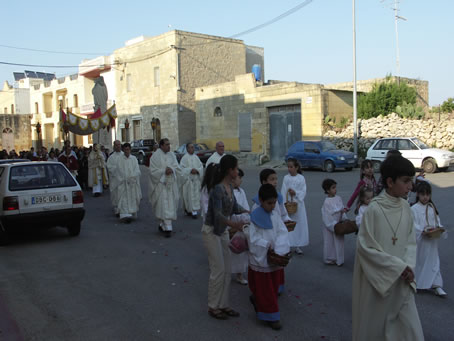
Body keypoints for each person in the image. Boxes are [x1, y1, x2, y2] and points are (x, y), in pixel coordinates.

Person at [352, 155, 424, 341]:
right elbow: (366, 248)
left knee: (411, 331)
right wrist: (396, 268)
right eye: (406, 181)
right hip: (380, 283)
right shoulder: (374, 210)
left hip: (402, 282)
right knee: (378, 331)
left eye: (412, 181)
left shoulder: (406, 207)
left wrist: (408, 266)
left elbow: (410, 242)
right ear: (390, 182)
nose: (411, 186)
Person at [202, 155, 247, 320]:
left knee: (228, 269)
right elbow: (218, 215)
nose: (237, 171)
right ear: (230, 170)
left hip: (222, 232)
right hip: (211, 231)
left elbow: (234, 207)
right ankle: (213, 306)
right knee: (218, 269)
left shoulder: (229, 187)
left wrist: (249, 212)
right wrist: (236, 225)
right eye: (236, 168)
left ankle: (223, 304)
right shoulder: (217, 189)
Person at [247, 184, 290, 330]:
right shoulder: (254, 218)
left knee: (272, 286)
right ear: (260, 200)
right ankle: (271, 315)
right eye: (269, 203)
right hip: (261, 259)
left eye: (274, 203)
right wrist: (266, 245)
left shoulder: (275, 215)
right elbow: (252, 239)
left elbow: (282, 232)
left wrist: (280, 247)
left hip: (274, 257)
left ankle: (258, 300)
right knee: (266, 290)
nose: (272, 206)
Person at [411, 181, 447, 297]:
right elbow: (412, 225)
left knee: (434, 262)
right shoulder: (414, 209)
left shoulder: (432, 207)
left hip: (432, 242)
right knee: (420, 263)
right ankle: (417, 283)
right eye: (423, 194)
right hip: (421, 242)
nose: (425, 197)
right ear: (418, 194)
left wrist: (439, 228)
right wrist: (422, 230)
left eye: (428, 194)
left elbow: (437, 221)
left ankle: (437, 285)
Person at [148, 138, 181, 237]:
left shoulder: (172, 155)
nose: (169, 146)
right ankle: (167, 228)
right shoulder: (155, 156)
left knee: (170, 205)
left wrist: (172, 170)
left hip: (171, 185)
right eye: (167, 144)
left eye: (169, 144)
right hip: (161, 185)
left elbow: (177, 167)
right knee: (162, 205)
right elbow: (152, 171)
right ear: (161, 145)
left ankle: (163, 224)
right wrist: (163, 171)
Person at [280, 158, 309, 255]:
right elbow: (283, 191)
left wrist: (295, 193)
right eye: (288, 167)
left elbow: (303, 190)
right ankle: (288, 244)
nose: (289, 169)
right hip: (288, 205)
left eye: (291, 167)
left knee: (299, 224)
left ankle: (298, 245)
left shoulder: (301, 178)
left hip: (298, 205)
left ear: (296, 167)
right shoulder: (286, 178)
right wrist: (284, 204)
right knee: (289, 225)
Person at [230, 168, 250, 285]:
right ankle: (227, 272)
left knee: (240, 250)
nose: (241, 180)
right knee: (230, 250)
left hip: (242, 224)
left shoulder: (241, 191)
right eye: (239, 178)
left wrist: (247, 219)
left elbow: (245, 206)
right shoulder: (228, 192)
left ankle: (239, 274)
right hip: (232, 224)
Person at [321, 179, 347, 266]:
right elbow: (326, 216)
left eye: (335, 187)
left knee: (339, 242)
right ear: (327, 190)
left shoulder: (338, 198)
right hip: (331, 226)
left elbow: (341, 209)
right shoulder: (326, 202)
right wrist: (333, 226)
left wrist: (344, 216)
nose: (335, 189)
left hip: (339, 224)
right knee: (330, 242)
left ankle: (339, 259)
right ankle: (330, 258)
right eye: (333, 188)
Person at [115, 143, 142, 223]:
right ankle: (125, 215)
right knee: (124, 199)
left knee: (132, 198)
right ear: (123, 150)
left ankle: (131, 213)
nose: (127, 151)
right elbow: (119, 171)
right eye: (125, 150)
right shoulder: (120, 159)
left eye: (128, 149)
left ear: (130, 150)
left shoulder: (133, 159)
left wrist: (132, 177)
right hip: (123, 183)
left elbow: (137, 170)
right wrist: (125, 178)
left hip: (132, 183)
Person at [180, 143, 204, 219]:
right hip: (188, 181)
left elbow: (201, 167)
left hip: (196, 180)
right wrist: (190, 170)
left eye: (193, 147)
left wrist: (197, 170)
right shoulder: (184, 158)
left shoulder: (196, 157)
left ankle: (194, 210)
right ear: (187, 149)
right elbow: (181, 169)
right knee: (188, 196)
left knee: (196, 196)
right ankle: (190, 210)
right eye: (190, 147)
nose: (192, 149)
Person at [107, 140, 124, 217]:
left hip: (123, 180)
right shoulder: (111, 157)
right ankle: (117, 208)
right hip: (115, 180)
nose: (118, 146)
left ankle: (123, 208)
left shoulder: (124, 155)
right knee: (116, 194)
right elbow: (109, 167)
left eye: (119, 145)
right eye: (116, 145)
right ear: (114, 146)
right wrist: (117, 169)